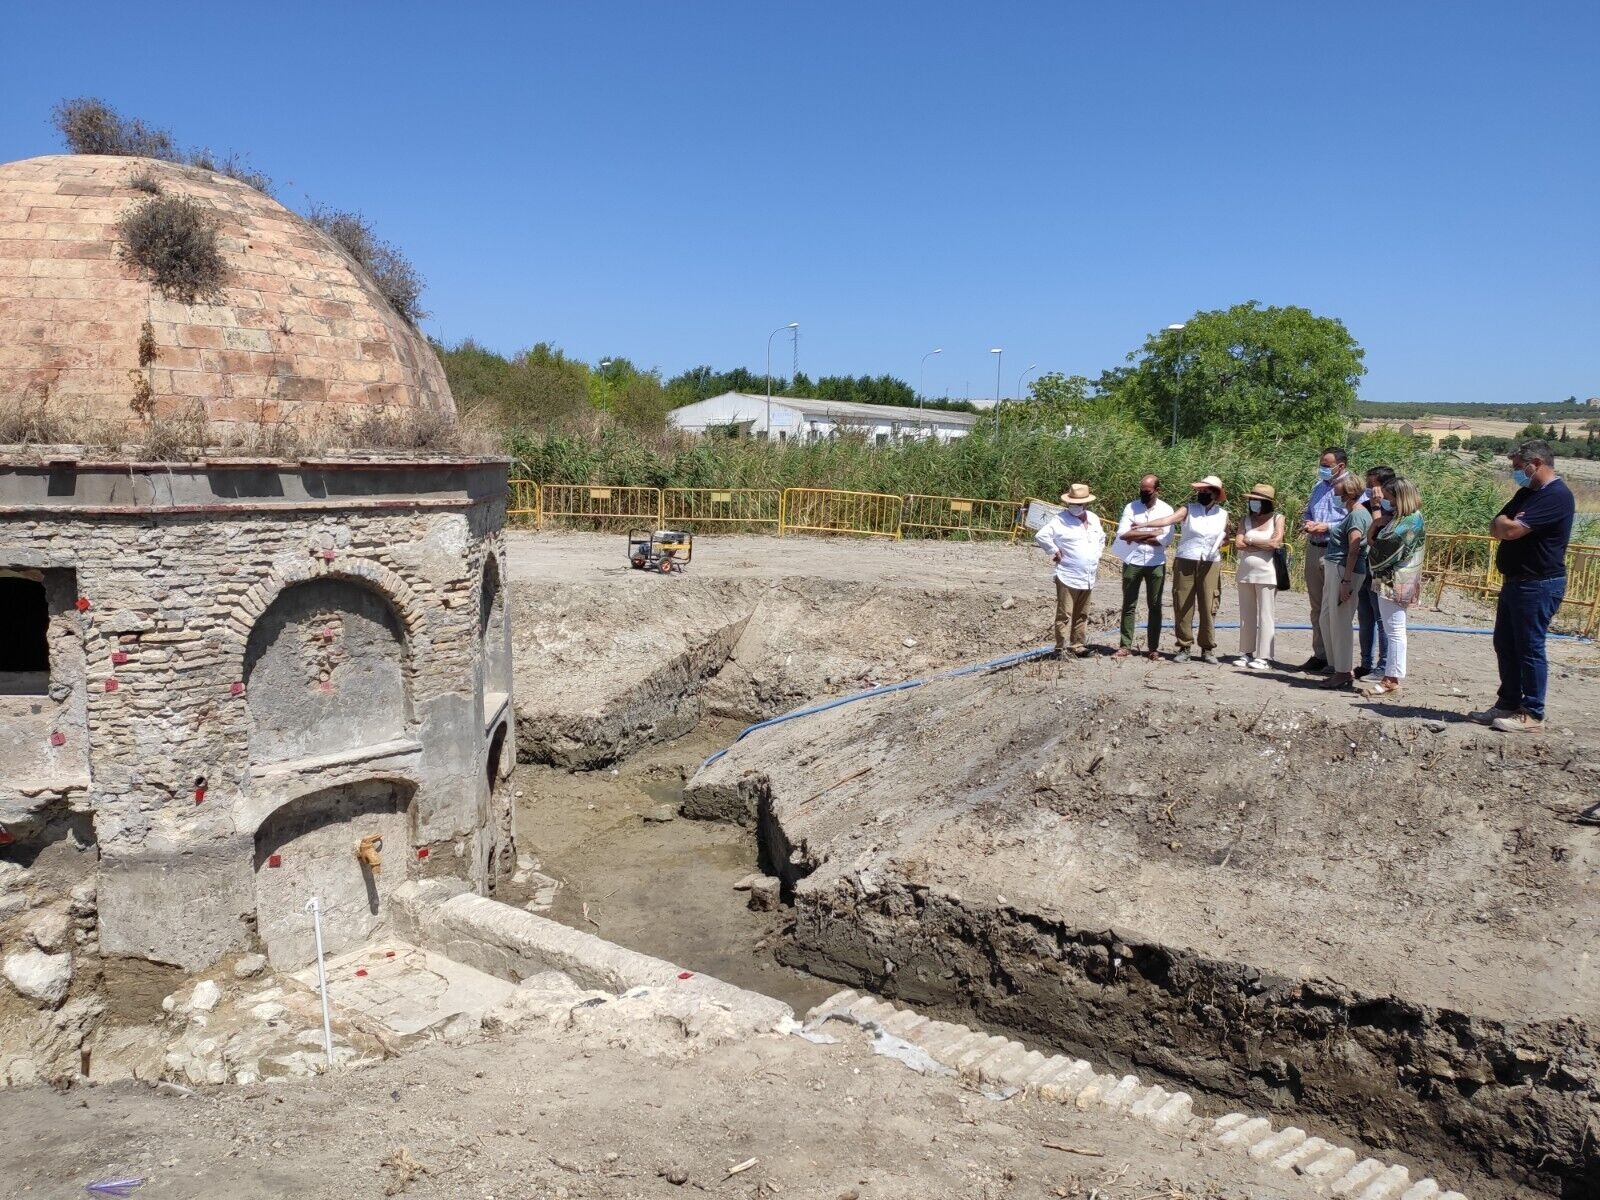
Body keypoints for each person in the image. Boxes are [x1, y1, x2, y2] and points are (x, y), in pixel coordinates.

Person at [1472, 439, 1576, 732]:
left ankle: (1532, 713)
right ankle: (1507, 703)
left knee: (1529, 647)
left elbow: (1511, 531)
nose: (1516, 472)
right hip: (1516, 581)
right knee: (1505, 644)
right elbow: (1496, 527)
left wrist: (1508, 525)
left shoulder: (1556, 496)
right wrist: (1505, 524)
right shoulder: (1526, 493)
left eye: (1519, 467)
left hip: (1539, 583)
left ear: (1537, 463)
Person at [1132, 475, 1228, 664]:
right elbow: (1167, 520)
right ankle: (1184, 646)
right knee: (1183, 603)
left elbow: (1224, 538)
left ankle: (1207, 648)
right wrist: (1144, 525)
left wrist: (1222, 543)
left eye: (1206, 491)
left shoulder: (1223, 514)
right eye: (1200, 490)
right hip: (1186, 559)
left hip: (1210, 562)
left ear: (1215, 494)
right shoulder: (1188, 509)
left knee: (1209, 605)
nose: (1202, 493)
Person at [1362, 476, 1425, 697]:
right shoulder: (1404, 519)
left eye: (1390, 498)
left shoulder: (1408, 522)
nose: (1388, 503)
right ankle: (1391, 676)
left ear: (1400, 497)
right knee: (1392, 629)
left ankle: (1392, 678)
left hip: (1396, 580)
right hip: (1391, 579)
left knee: (1395, 630)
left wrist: (1372, 533)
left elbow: (1381, 548)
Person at [1034, 483, 1107, 658]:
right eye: (1072, 503)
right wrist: (1054, 550)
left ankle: (1078, 645)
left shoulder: (1093, 518)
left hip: (1088, 575)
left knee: (1082, 613)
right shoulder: (1060, 520)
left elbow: (1101, 538)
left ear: (1086, 503)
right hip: (1068, 574)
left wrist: (1096, 554)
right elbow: (1041, 536)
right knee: (1065, 614)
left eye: (1079, 504)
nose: (1075, 506)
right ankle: (1060, 648)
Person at [1297, 447, 1352, 673]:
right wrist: (1308, 523)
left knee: (1334, 608)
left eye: (1326, 465)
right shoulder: (1318, 487)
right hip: (1314, 548)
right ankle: (1320, 654)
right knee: (1317, 606)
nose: (1322, 469)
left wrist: (1326, 527)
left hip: (1335, 551)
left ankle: (1336, 659)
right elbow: (1308, 512)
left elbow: (1355, 519)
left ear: (1341, 466)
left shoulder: (1351, 488)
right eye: (1321, 464)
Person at [1111, 474, 1173, 660]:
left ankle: (1153, 648)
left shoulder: (1166, 509)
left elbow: (1165, 539)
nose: (1143, 494)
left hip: (1156, 562)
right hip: (1133, 559)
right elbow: (1123, 534)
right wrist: (1152, 532)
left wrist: (1137, 532)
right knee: (1129, 603)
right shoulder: (1131, 507)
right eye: (1141, 490)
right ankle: (1125, 646)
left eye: (1147, 491)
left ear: (1157, 490)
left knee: (1155, 605)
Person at [1318, 474, 1370, 689]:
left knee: (1340, 622)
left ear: (1348, 493)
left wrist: (1346, 581)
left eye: (1338, 490)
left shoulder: (1357, 515)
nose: (1335, 493)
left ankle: (1343, 671)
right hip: (1337, 569)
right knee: (1327, 618)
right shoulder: (1353, 513)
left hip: (1344, 571)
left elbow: (1354, 548)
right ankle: (1337, 666)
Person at [1233, 483, 1285, 670]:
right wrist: (1258, 543)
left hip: (1267, 572)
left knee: (1266, 614)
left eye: (1257, 500)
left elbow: (1275, 543)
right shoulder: (1245, 519)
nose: (1253, 503)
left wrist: (1251, 541)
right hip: (1245, 572)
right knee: (1246, 614)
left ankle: (1264, 656)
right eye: (1252, 499)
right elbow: (1239, 543)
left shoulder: (1277, 518)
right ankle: (1246, 652)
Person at [1356, 465, 1397, 681]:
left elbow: (1379, 537)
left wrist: (1377, 507)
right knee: (1365, 617)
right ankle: (1366, 663)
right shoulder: (1364, 506)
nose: (1369, 490)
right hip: (1365, 566)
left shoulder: (1396, 511)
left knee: (1383, 619)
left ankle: (1383, 666)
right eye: (1368, 485)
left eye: (1373, 485)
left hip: (1384, 571)